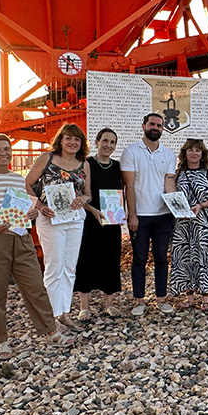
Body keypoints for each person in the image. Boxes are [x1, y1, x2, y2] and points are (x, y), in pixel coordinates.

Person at [0, 133, 73, 359]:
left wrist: (31, 213)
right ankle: (0, 340)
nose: (4, 153)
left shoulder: (18, 179)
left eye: (6, 149)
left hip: (20, 237)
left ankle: (50, 330)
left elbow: (24, 207)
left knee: (35, 286)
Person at [25, 123, 92, 330]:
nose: (73, 142)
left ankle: (64, 312)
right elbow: (26, 184)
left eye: (77, 139)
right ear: (60, 140)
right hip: (50, 218)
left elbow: (88, 192)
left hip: (74, 219)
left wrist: (83, 198)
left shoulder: (84, 164)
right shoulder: (47, 158)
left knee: (70, 267)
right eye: (68, 138)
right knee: (54, 266)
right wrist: (39, 205)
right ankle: (51, 317)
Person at [120, 113, 178, 316]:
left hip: (163, 216)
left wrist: (177, 208)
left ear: (163, 129)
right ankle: (139, 300)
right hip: (140, 216)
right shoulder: (131, 152)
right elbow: (129, 186)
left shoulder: (169, 154)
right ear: (143, 125)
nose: (155, 128)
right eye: (152, 124)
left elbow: (169, 183)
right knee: (139, 258)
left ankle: (161, 299)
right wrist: (132, 215)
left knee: (162, 257)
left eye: (159, 125)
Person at [74, 127, 123, 318]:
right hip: (89, 220)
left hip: (111, 221)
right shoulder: (87, 163)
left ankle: (109, 303)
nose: (108, 145)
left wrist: (122, 214)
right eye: (105, 141)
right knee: (86, 259)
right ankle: (84, 306)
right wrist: (90, 210)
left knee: (111, 259)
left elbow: (122, 193)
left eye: (112, 142)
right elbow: (80, 192)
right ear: (96, 142)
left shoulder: (117, 166)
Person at [169, 138, 208, 309]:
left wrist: (201, 205)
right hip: (183, 224)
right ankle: (189, 296)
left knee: (203, 256)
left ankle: (205, 297)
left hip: (202, 222)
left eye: (197, 150)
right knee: (185, 256)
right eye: (190, 150)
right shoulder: (178, 173)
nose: (193, 153)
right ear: (184, 153)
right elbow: (172, 195)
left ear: (202, 154)